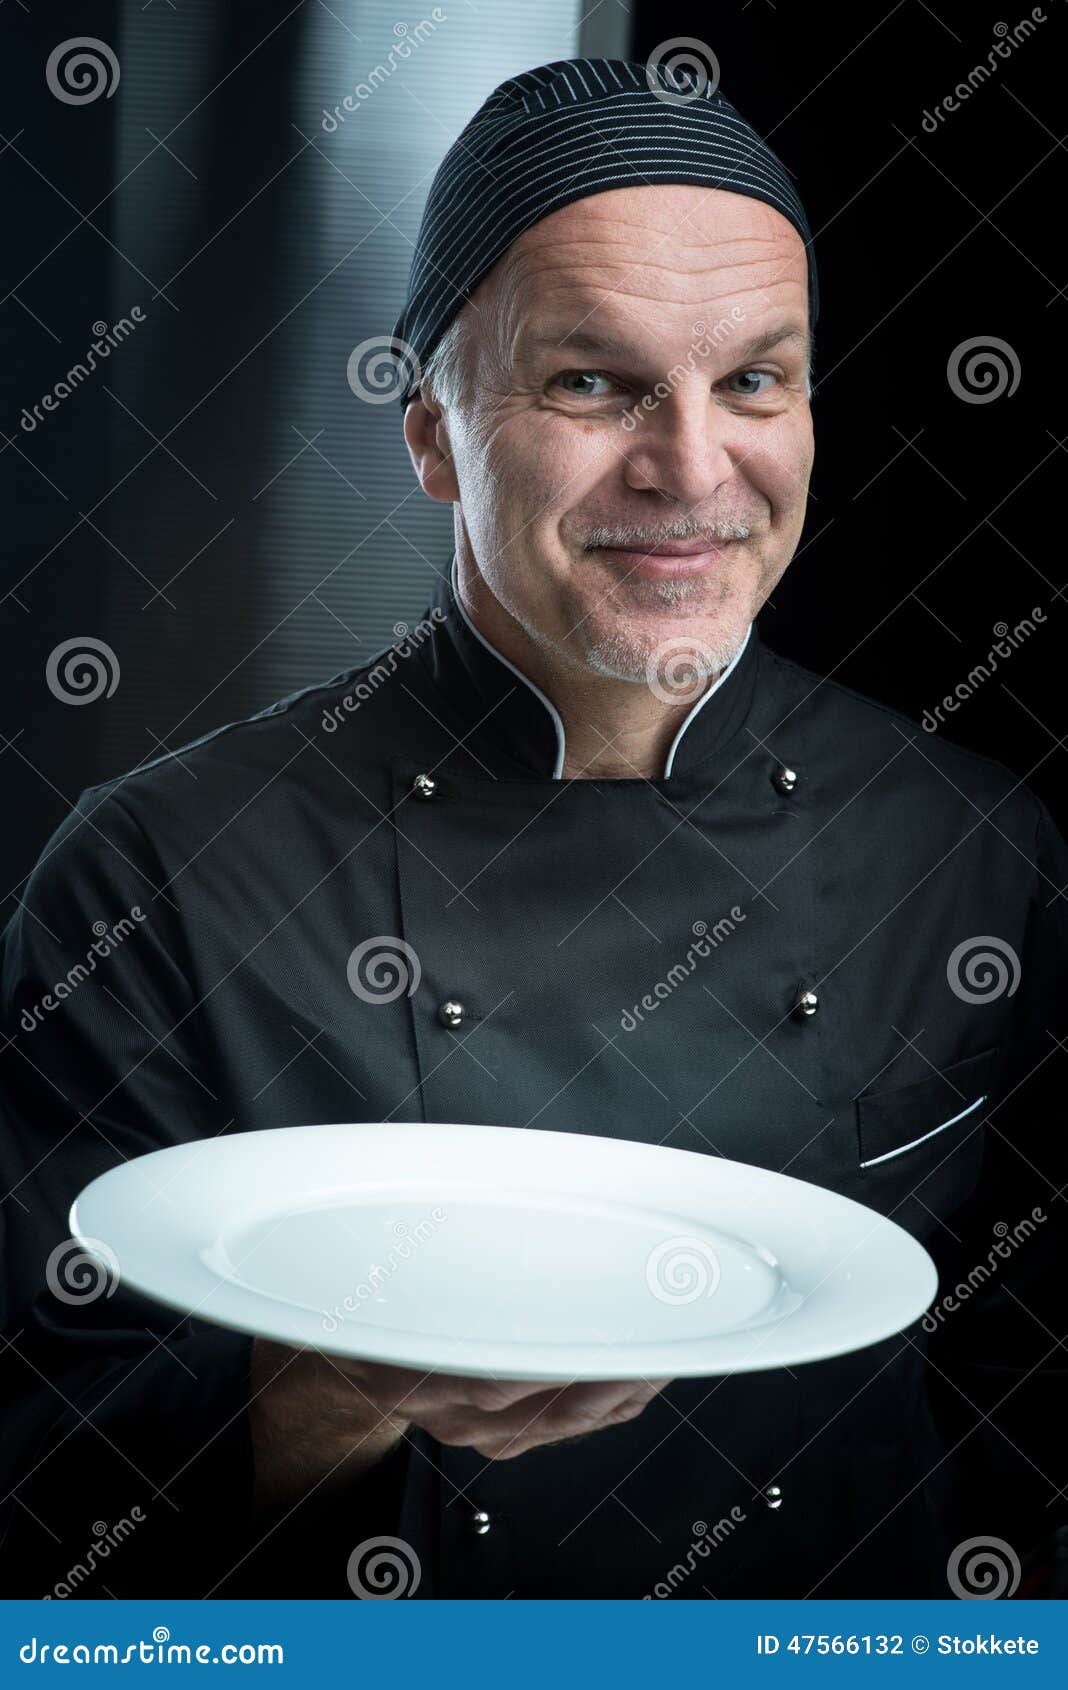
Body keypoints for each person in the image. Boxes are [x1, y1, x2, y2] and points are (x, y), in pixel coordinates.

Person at [1, 56, 1064, 1601]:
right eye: (592, 383)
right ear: (430, 429)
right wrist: (330, 1394)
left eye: (754, 381)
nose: (693, 472)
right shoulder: (159, 874)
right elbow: (39, 1493)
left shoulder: (972, 851)